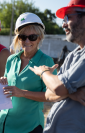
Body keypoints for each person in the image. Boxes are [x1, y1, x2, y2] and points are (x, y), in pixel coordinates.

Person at [0, 12, 57, 133]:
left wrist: (22, 93)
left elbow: (52, 95)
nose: (27, 41)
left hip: (29, 127)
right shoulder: (11, 59)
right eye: (23, 37)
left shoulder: (46, 61)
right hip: (4, 123)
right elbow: (8, 87)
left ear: (39, 38)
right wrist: (2, 83)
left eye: (32, 37)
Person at [29, 0, 85, 132]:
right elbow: (49, 94)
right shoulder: (73, 55)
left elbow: (58, 88)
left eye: (68, 17)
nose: (63, 24)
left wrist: (43, 73)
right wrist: (72, 93)